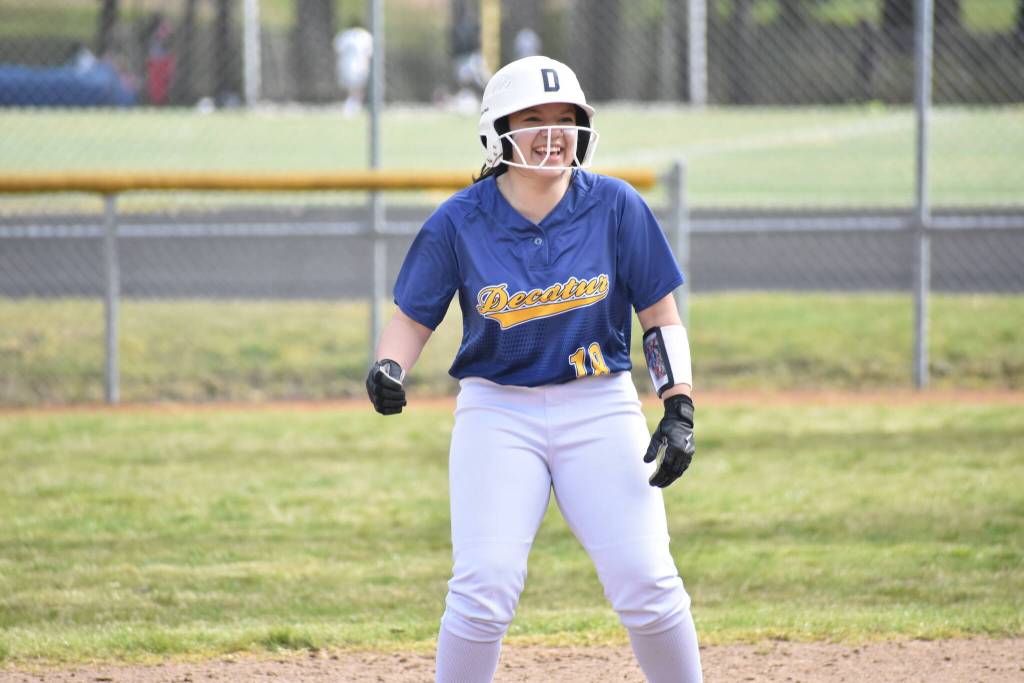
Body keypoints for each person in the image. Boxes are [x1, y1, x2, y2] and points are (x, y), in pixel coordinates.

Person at [365, 55, 702, 683]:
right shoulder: (460, 219)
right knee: (482, 590)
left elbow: (660, 315)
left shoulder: (616, 206)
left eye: (565, 119)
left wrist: (678, 404)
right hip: (498, 411)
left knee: (648, 581)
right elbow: (413, 316)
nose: (553, 133)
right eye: (534, 119)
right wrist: (389, 364)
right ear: (498, 131)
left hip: (600, 405)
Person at [333, 20, 373, 117]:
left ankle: (352, 105)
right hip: (357, 65)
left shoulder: (344, 35)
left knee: (353, 87)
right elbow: (367, 54)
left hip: (346, 64)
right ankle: (352, 105)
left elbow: (337, 50)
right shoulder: (365, 36)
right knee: (357, 87)